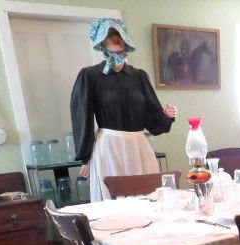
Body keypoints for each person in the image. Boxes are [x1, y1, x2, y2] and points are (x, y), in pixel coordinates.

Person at [71, 18, 178, 202]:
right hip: (109, 148)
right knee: (115, 205)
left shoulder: (139, 77)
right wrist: (85, 156)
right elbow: (82, 117)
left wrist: (166, 116)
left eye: (118, 34)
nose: (115, 38)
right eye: (109, 34)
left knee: (149, 199)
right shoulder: (90, 76)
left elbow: (152, 118)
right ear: (101, 40)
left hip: (139, 147)